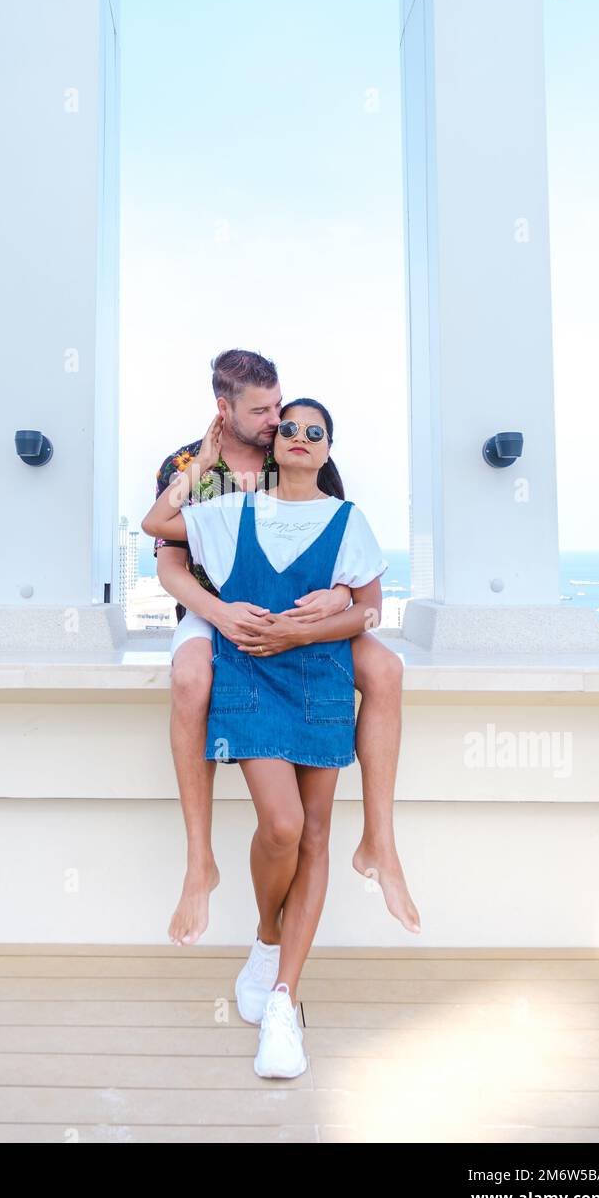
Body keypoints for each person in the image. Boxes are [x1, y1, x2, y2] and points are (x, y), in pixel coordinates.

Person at [142, 400, 390, 1079]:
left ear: (328, 448)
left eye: (316, 432)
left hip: (320, 681)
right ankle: (268, 934)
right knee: (281, 826)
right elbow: (157, 524)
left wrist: (327, 613)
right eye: (290, 428)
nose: (301, 438)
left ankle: (283, 998)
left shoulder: (349, 520)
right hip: (250, 678)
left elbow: (371, 611)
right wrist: (198, 456)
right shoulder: (235, 512)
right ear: (274, 441)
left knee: (314, 835)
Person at [153, 350, 419, 947]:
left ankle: (380, 838)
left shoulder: (297, 461)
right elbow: (170, 561)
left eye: (281, 405)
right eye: (264, 411)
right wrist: (221, 612)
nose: (279, 421)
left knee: (386, 668)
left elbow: (344, 555)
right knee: (193, 677)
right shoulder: (190, 464)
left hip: (302, 620)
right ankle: (200, 861)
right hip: (215, 608)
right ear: (224, 409)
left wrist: (336, 599)